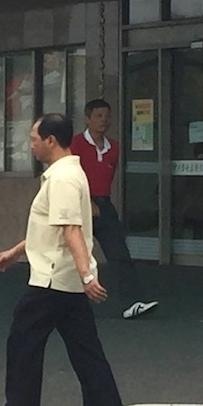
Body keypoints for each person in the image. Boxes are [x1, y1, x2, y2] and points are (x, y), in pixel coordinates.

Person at [0, 112, 128, 406]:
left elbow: (70, 230)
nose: (29, 145)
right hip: (66, 275)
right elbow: (50, 227)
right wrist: (14, 253)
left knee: (24, 340)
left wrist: (88, 276)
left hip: (53, 277)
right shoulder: (71, 173)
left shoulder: (61, 179)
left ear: (50, 141)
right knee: (84, 345)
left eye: (33, 139)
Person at [71, 98, 159, 320]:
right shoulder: (76, 145)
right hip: (80, 205)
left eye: (107, 116)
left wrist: (99, 202)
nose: (104, 121)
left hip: (105, 205)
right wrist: (86, 201)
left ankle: (132, 302)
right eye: (98, 116)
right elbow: (71, 178)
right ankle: (61, 305)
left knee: (119, 253)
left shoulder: (114, 148)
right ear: (87, 118)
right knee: (71, 255)